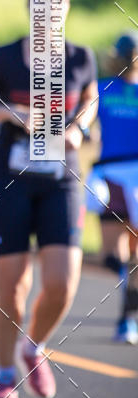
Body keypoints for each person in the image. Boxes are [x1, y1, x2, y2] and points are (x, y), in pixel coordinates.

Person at [0, 0, 98, 398]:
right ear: (30, 7)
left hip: (60, 180)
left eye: (61, 3)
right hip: (10, 180)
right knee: (13, 285)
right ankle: (4, 375)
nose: (52, 11)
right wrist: (9, 113)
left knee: (62, 283)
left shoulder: (80, 57)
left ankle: (32, 346)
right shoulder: (2, 58)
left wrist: (79, 129)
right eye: (44, 3)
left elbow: (90, 98)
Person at [86, 32, 138, 344]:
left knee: (134, 256)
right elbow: (86, 122)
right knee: (111, 256)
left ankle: (126, 319)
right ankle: (127, 290)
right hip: (109, 174)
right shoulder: (103, 88)